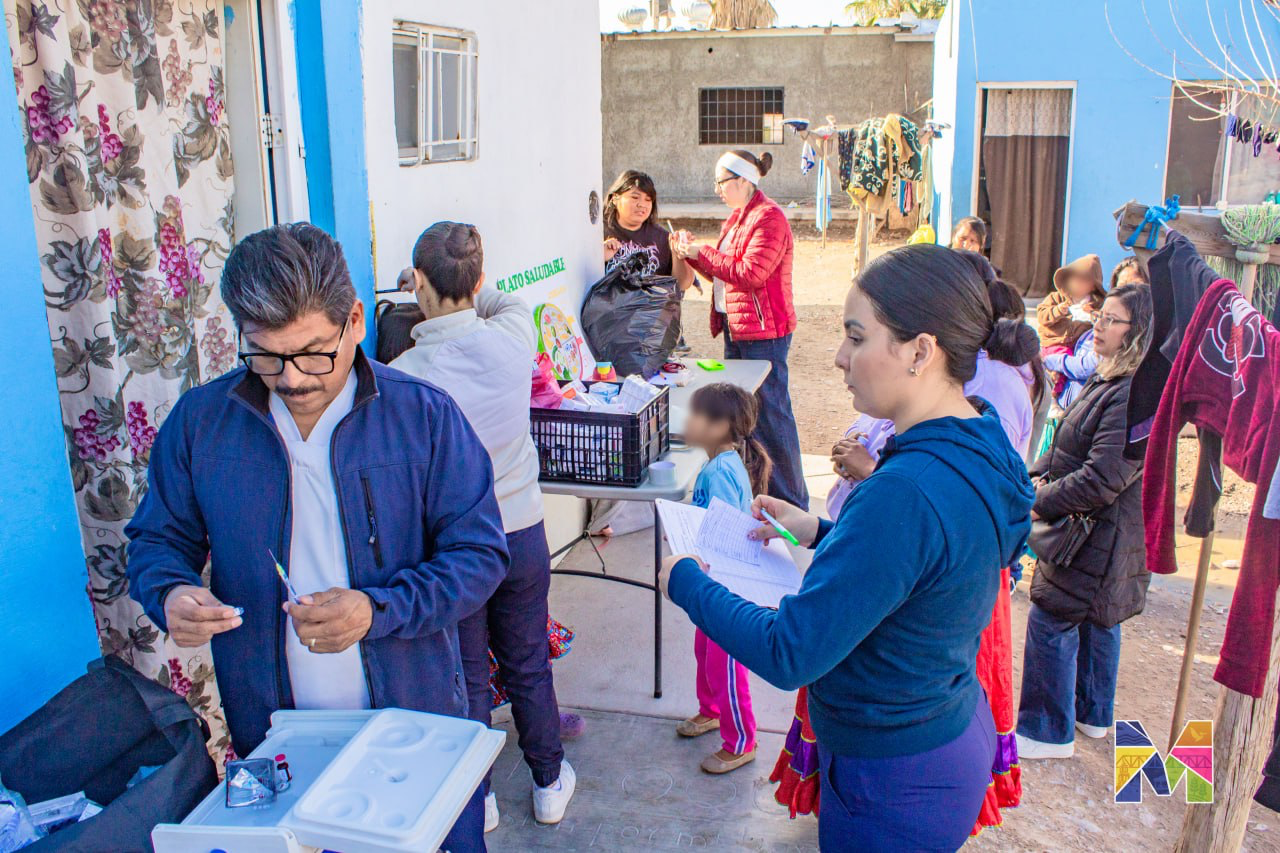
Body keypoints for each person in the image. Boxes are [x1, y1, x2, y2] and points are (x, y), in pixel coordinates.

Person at [125, 223, 508, 852]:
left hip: (413, 722)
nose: (294, 378)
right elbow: (157, 540)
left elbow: (481, 556)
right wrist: (168, 592)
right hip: (275, 734)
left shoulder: (424, 416)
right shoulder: (202, 424)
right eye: (267, 356)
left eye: (312, 352)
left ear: (355, 320)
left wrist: (377, 609)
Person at [661, 244, 1034, 849]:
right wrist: (819, 532)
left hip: (892, 778)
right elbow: (925, 569)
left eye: (856, 338)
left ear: (920, 351)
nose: (839, 358)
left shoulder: (904, 492)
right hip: (945, 733)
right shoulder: (979, 437)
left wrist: (688, 581)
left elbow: (792, 653)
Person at [390, 222, 575, 829]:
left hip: (453, 548)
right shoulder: (513, 337)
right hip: (521, 530)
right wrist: (463, 277)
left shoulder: (409, 373)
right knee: (527, 662)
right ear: (476, 276)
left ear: (417, 282)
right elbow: (498, 298)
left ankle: (482, 797)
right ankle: (548, 781)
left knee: (467, 673)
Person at [1016, 283, 1154, 760]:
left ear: (1136, 333)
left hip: (1096, 529)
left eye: (1110, 320)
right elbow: (1066, 443)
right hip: (1100, 528)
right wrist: (1030, 477)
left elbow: (1101, 477)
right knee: (1098, 618)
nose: (1097, 325)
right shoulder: (1113, 377)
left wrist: (1040, 502)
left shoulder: (1133, 391)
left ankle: (1045, 730)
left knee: (1053, 616)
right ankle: (1091, 714)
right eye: (1101, 317)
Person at [674, 149, 809, 508]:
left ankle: (792, 503)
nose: (717, 189)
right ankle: (759, 496)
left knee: (772, 416)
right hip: (741, 328)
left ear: (743, 180)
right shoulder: (739, 218)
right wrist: (692, 255)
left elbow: (751, 273)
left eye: (721, 181)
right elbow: (725, 271)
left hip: (765, 333)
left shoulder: (769, 218)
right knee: (746, 419)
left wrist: (702, 253)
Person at [674, 383, 772, 775]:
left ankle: (742, 741)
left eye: (696, 414)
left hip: (728, 587)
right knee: (705, 652)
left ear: (719, 426)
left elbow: (724, 533)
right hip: (715, 581)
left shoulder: (717, 472)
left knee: (726, 664)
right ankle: (711, 710)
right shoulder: (722, 463)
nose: (688, 420)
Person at [602, 169, 694, 292]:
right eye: (635, 197)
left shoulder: (661, 237)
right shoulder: (598, 232)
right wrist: (599, 255)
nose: (642, 204)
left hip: (650, 309)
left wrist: (678, 253)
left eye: (648, 199)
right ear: (615, 198)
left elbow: (683, 284)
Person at [1036, 254, 1106, 351]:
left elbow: (1106, 322)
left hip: (1081, 344)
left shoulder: (1097, 303)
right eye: (1074, 279)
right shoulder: (1056, 298)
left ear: (1094, 286)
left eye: (1083, 280)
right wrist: (1058, 310)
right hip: (1055, 342)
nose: (1077, 283)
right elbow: (1042, 315)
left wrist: (1093, 314)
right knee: (1061, 356)